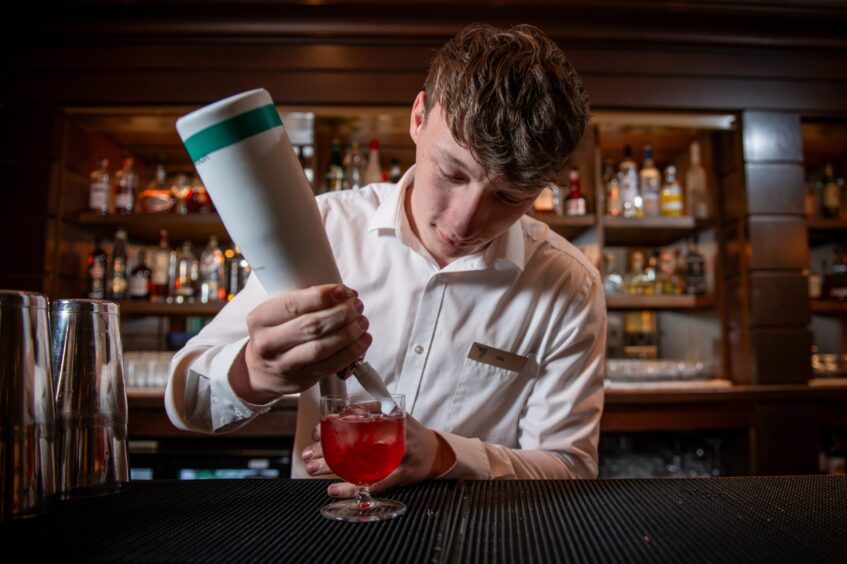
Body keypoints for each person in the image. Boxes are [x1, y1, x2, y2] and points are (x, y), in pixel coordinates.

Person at [165, 23, 605, 497]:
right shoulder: (326, 227)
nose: (463, 223)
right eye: (453, 172)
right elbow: (192, 402)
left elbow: (570, 467)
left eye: (508, 196)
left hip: (480, 536)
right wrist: (255, 373)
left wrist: (444, 455)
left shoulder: (568, 284)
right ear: (419, 116)